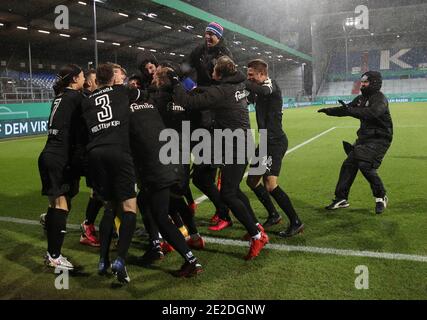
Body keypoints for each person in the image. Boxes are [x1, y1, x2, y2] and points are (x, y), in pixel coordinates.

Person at [171, 56, 269, 260]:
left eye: (214, 70)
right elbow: (205, 91)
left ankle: (257, 235)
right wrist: (190, 85)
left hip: (235, 145)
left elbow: (189, 101)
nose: (211, 73)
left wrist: (176, 84)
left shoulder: (222, 91)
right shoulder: (238, 83)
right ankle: (257, 227)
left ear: (221, 74)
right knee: (234, 190)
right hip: (239, 142)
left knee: (228, 194)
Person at [128, 69, 203, 277]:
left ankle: (188, 257)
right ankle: (186, 237)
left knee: (164, 209)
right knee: (167, 199)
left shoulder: (156, 99)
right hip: (179, 153)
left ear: (161, 80)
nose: (151, 80)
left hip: (161, 158)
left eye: (155, 78)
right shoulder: (182, 96)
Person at [81, 63, 138, 283]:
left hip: (95, 154)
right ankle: (120, 260)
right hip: (118, 151)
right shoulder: (122, 92)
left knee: (109, 206)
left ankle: (103, 260)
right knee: (129, 207)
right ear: (114, 79)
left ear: (97, 80)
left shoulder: (87, 102)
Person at [318, 71, 393, 214]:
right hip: (364, 138)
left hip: (380, 138)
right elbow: (346, 110)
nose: (362, 85)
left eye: (366, 82)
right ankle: (341, 198)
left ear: (375, 83)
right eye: (362, 82)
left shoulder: (380, 99)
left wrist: (351, 111)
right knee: (349, 164)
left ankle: (380, 196)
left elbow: (372, 113)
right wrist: (329, 111)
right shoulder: (360, 99)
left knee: (365, 165)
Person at [245, 59, 304, 237]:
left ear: (262, 74)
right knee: (252, 181)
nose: (249, 78)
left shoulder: (271, 84)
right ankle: (273, 214)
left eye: (251, 75)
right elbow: (247, 97)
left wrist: (241, 81)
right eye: (247, 75)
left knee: (270, 185)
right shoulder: (255, 89)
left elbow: (262, 90)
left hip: (275, 141)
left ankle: (296, 222)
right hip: (264, 141)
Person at [183, 22, 233, 229]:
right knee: (206, 176)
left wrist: (202, 91)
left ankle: (224, 212)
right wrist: (189, 84)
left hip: (215, 114)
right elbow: (185, 67)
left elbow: (226, 82)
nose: (208, 37)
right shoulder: (199, 50)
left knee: (204, 176)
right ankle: (222, 211)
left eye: (213, 34)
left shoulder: (225, 54)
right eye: (206, 33)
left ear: (219, 37)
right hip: (203, 111)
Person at [38, 64, 85, 270]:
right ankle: (54, 257)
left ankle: (50, 221)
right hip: (59, 157)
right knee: (61, 206)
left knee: (58, 204)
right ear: (75, 79)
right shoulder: (75, 97)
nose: (85, 79)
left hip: (49, 154)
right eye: (83, 76)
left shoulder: (60, 96)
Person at [79, 69, 102, 247]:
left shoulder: (95, 100)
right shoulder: (86, 102)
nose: (98, 82)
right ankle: (87, 227)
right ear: (88, 83)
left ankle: (89, 225)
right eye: (95, 80)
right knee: (98, 193)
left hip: (97, 153)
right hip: (91, 154)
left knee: (100, 193)